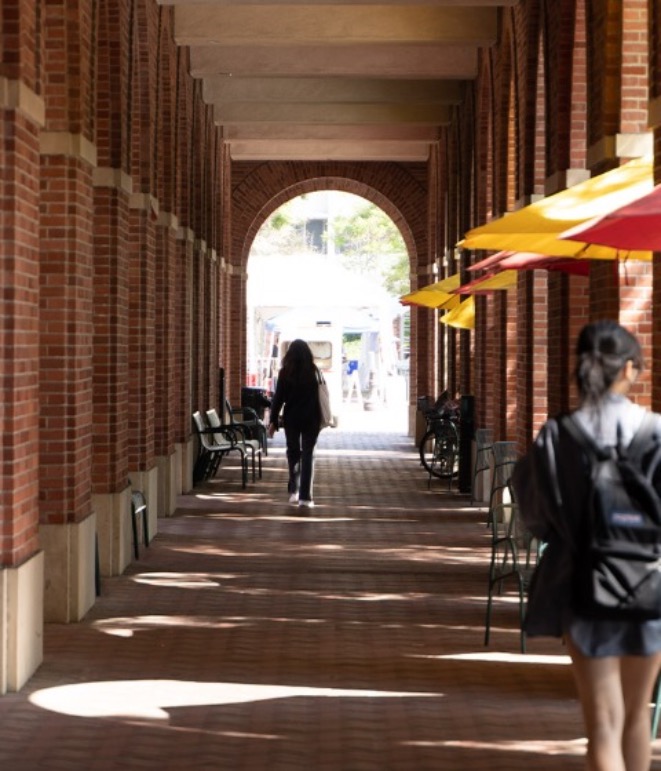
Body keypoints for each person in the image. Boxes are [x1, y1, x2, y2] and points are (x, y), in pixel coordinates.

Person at [512, 320, 661, 771]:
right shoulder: (657, 432)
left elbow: (534, 518)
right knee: (638, 719)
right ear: (631, 369)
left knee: (602, 725)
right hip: (651, 584)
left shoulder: (557, 435)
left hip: (580, 585)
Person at [268, 339, 321, 509]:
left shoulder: (285, 373)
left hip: (292, 419)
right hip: (311, 419)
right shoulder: (314, 372)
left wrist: (273, 421)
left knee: (293, 453)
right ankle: (306, 497)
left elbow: (278, 399)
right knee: (308, 455)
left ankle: (294, 490)